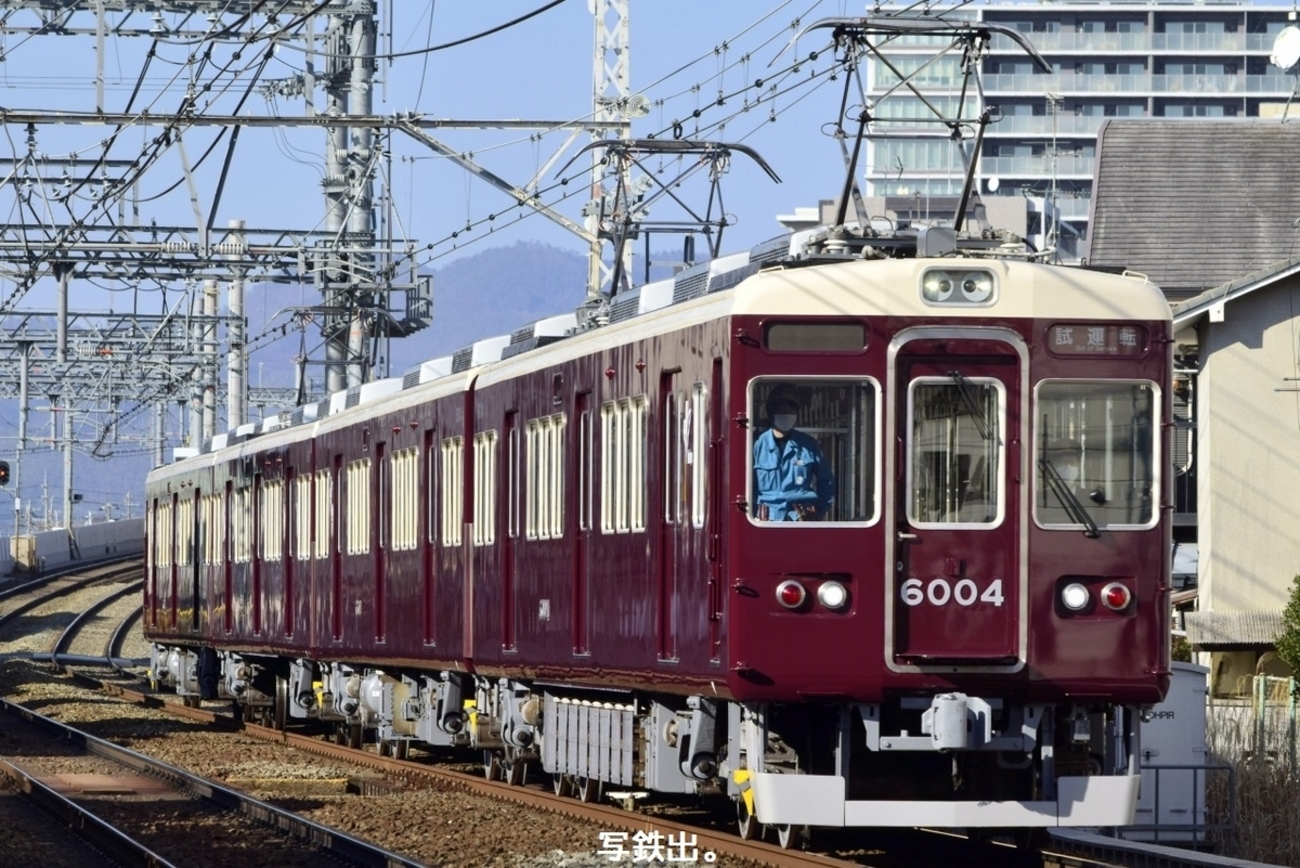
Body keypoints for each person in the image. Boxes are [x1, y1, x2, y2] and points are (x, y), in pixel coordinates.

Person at [753, 385, 836, 521]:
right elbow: (745, 485)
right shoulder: (756, 445)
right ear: (771, 413)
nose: (786, 414)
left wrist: (818, 512)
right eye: (781, 410)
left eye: (790, 410)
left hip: (801, 518)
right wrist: (753, 515)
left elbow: (827, 481)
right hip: (766, 520)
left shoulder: (809, 444)